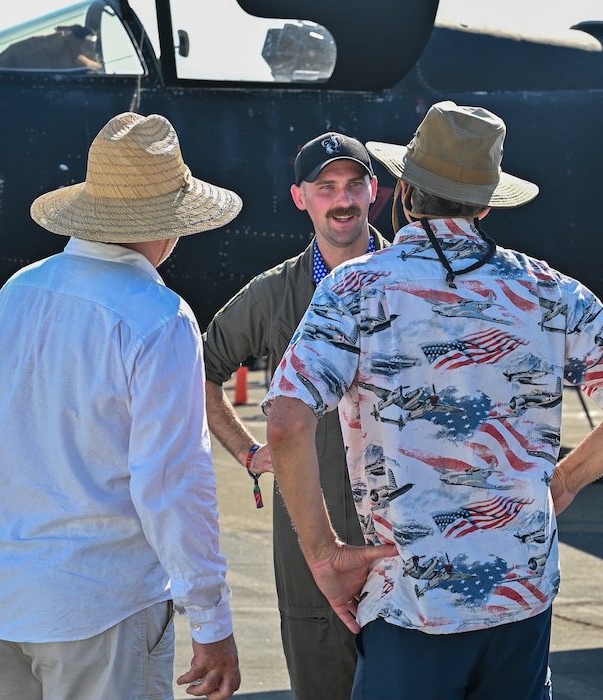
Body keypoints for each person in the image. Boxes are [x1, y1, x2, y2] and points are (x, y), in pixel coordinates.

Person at [263, 101, 603, 699]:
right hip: (521, 596)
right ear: (487, 203)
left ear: (405, 191)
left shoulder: (355, 286)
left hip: (412, 600)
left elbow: (286, 424)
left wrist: (324, 555)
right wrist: (566, 479)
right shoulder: (545, 289)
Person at [0, 112, 243, 700]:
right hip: (100, 604)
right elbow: (171, 480)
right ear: (169, 224)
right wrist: (210, 617)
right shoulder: (159, 317)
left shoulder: (13, 294)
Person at [203, 131, 389, 699]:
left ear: (374, 191)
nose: (343, 200)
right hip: (313, 535)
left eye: (355, 185)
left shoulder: (417, 280)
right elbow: (199, 371)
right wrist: (248, 452)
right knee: (323, 681)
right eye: (326, 187)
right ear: (299, 197)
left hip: (404, 536)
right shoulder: (273, 295)